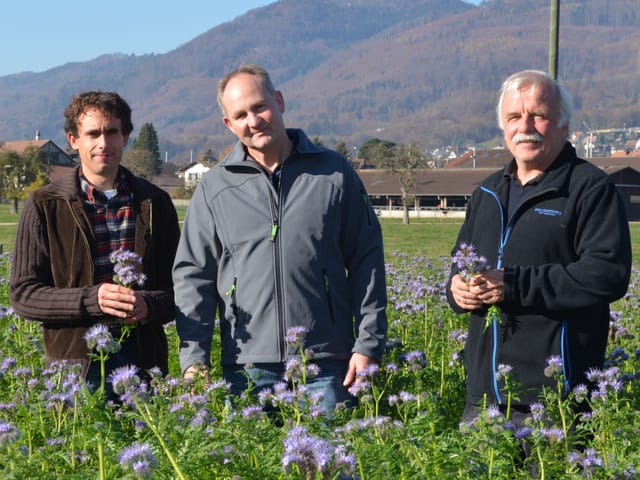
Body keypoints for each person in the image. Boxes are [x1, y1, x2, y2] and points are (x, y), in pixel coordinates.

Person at [173, 64, 388, 412]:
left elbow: (367, 262)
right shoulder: (215, 187)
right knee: (253, 465)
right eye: (240, 115)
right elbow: (192, 277)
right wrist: (194, 359)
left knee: (334, 464)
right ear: (229, 124)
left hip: (327, 364)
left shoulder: (333, 173)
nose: (254, 120)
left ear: (280, 101)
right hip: (246, 366)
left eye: (260, 107)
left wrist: (368, 345)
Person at [447, 70, 631, 425]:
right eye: (514, 117)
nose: (525, 126)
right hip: (485, 397)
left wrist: (514, 284)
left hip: (555, 400)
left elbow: (608, 274)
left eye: (539, 116)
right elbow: (460, 264)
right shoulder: (486, 193)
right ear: (503, 127)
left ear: (563, 126)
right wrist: (456, 290)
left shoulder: (589, 189)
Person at [10, 91, 180, 395]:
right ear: (74, 140)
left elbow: (179, 291)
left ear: (125, 136)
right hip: (76, 365)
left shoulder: (155, 203)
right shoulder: (45, 203)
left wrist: (148, 305)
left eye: (112, 132)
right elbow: (23, 294)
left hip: (143, 359)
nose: (103, 143)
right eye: (93, 133)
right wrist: (92, 299)